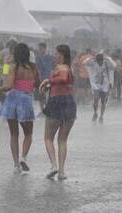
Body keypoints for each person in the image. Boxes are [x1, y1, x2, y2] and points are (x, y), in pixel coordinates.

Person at [0, 43, 40, 174]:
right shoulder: (33, 68)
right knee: (28, 134)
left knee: (14, 134)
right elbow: (38, 84)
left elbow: (8, 86)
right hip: (25, 100)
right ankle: (23, 157)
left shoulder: (14, 67)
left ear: (16, 54)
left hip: (12, 100)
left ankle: (15, 166)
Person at [40, 44, 77, 180]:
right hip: (69, 103)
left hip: (56, 103)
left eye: (56, 53)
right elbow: (65, 82)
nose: (54, 56)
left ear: (61, 54)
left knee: (48, 138)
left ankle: (54, 165)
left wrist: (47, 80)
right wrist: (49, 84)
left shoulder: (61, 67)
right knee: (62, 140)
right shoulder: (71, 68)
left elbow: (62, 78)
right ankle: (61, 172)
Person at [84, 52, 116, 123]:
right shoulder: (93, 63)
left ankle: (101, 116)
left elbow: (114, 66)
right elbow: (84, 63)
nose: (100, 62)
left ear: (102, 59)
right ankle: (95, 113)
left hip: (105, 84)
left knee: (103, 101)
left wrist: (109, 59)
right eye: (98, 60)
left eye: (101, 60)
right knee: (95, 99)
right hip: (96, 84)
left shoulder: (106, 63)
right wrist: (91, 57)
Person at [35, 42, 55, 117]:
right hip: (44, 79)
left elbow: (52, 69)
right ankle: (43, 110)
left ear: (45, 48)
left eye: (41, 48)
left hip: (47, 79)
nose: (40, 50)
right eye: (39, 49)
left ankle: (46, 110)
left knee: (46, 95)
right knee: (42, 95)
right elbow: (38, 70)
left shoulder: (49, 57)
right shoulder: (39, 57)